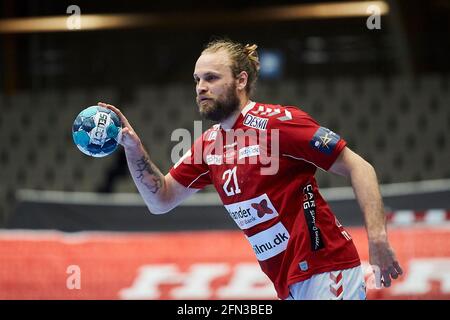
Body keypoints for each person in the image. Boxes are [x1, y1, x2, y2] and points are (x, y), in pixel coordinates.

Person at [98, 38, 402, 300]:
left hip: (327, 267)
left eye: (211, 78)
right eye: (197, 80)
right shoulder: (208, 145)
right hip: (289, 283)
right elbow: (159, 200)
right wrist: (134, 149)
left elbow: (358, 166)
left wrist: (377, 238)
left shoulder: (278, 123)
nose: (201, 88)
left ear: (241, 81)